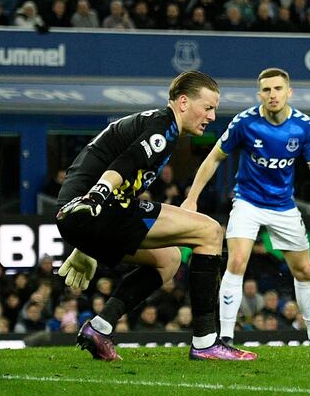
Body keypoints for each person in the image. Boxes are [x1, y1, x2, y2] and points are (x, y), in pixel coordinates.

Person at [55, 70, 256, 361]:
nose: (212, 117)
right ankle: (205, 341)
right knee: (210, 232)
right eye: (208, 107)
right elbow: (127, 162)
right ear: (184, 102)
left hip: (86, 214)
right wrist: (96, 197)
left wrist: (83, 242)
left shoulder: (156, 125)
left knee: (168, 259)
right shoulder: (163, 126)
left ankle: (100, 328)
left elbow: (120, 175)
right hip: (95, 206)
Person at [181, 67, 310, 345]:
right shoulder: (245, 122)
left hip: (283, 206)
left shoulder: (303, 125)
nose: (272, 95)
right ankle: (226, 336)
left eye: (278, 89)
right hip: (247, 202)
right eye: (266, 90)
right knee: (237, 260)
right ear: (259, 94)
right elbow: (214, 158)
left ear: (289, 92)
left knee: (303, 270)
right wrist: (192, 197)